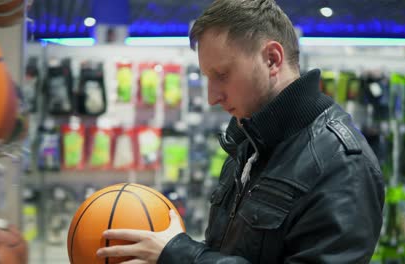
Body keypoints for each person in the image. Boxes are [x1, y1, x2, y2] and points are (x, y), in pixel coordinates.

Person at [96, 0, 385, 263]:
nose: (212, 97)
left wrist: (182, 255)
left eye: (222, 75)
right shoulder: (250, 140)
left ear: (272, 59)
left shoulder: (343, 165)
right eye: (207, 78)